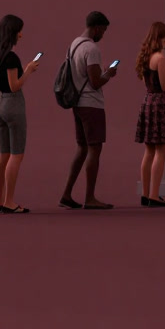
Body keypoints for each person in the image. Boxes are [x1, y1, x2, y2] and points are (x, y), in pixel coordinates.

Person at [60, 11, 117, 210]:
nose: (103, 34)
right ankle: (90, 197)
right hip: (91, 104)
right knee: (94, 148)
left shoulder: (74, 44)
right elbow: (95, 82)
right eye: (103, 30)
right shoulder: (92, 48)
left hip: (77, 102)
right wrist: (108, 74)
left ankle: (66, 194)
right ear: (97, 28)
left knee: (82, 147)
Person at [0, 14, 39, 214]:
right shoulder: (11, 57)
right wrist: (28, 70)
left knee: (3, 154)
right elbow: (14, 85)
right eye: (19, 31)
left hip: (0, 103)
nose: (21, 35)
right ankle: (9, 201)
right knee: (16, 155)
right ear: (12, 33)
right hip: (13, 104)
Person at [134, 22, 165, 207]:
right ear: (158, 37)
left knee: (149, 150)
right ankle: (154, 195)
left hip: (148, 101)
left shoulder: (145, 57)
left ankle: (145, 194)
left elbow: (149, 83)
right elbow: (164, 85)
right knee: (162, 150)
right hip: (160, 104)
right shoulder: (160, 58)